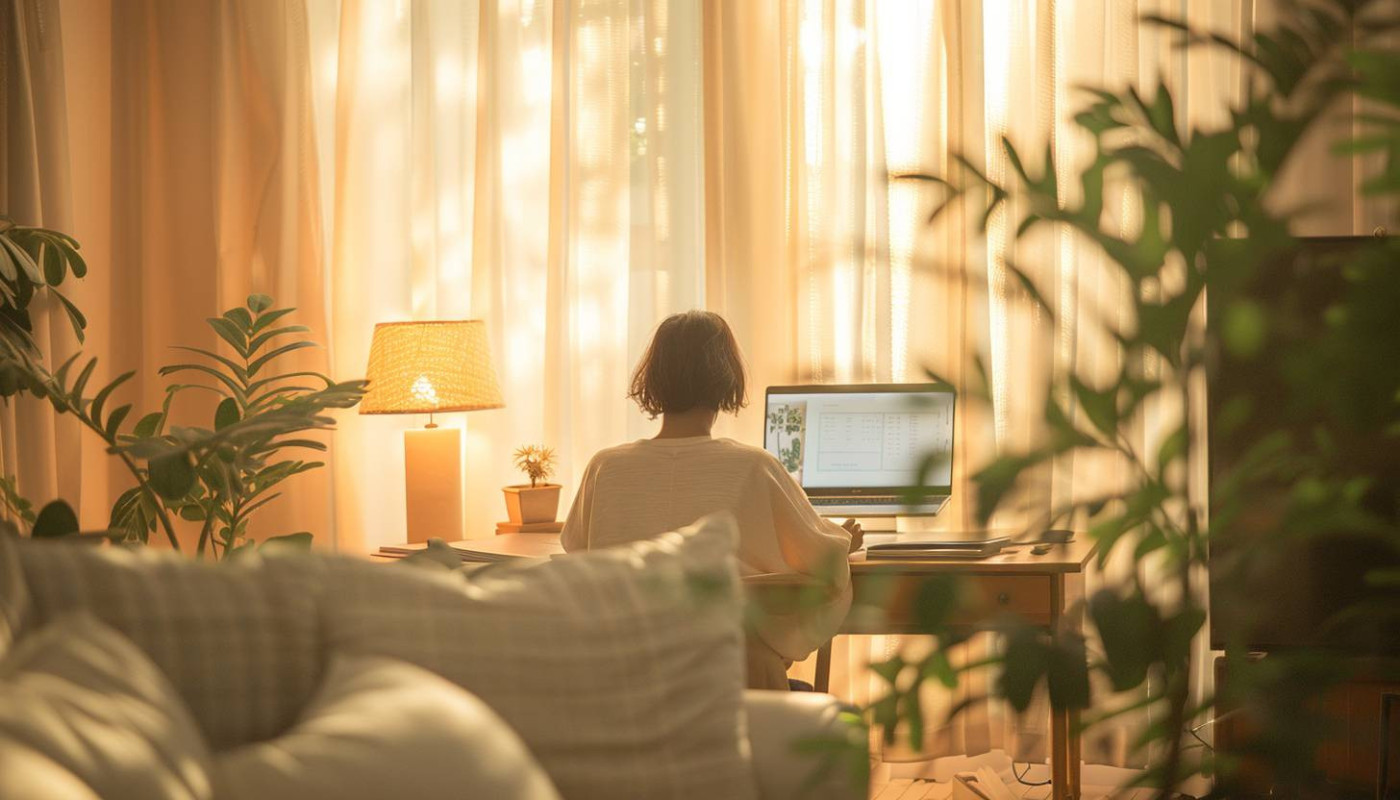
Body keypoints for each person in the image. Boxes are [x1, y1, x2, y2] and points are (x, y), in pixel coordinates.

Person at [561, 310, 862, 690]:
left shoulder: (605, 468)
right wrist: (843, 540)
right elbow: (825, 566)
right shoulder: (754, 467)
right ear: (727, 378)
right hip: (736, 688)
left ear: (653, 378)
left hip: (628, 692)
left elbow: (576, 551)